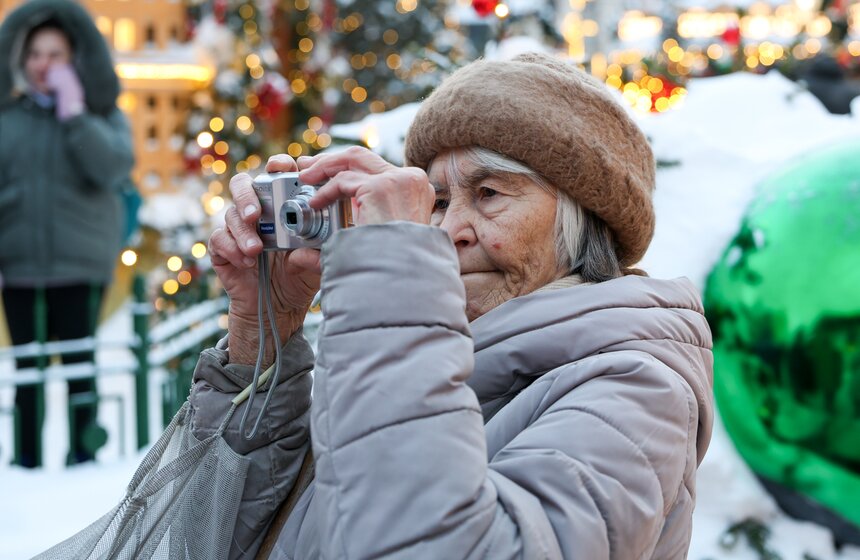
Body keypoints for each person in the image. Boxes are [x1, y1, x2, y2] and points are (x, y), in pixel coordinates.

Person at [198, 53, 714, 558]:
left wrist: (394, 281)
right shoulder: (427, 354)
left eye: (489, 193)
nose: (448, 231)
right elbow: (218, 539)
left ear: (582, 224)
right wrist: (265, 330)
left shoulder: (639, 390)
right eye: (438, 202)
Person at [0, 0, 134, 467]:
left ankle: (84, 455)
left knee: (80, 365)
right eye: (35, 54)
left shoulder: (101, 113)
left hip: (81, 264)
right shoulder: (8, 117)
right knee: (27, 372)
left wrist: (75, 114)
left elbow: (113, 167)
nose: (43, 64)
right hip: (19, 266)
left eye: (55, 54)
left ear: (75, 58)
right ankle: (27, 461)